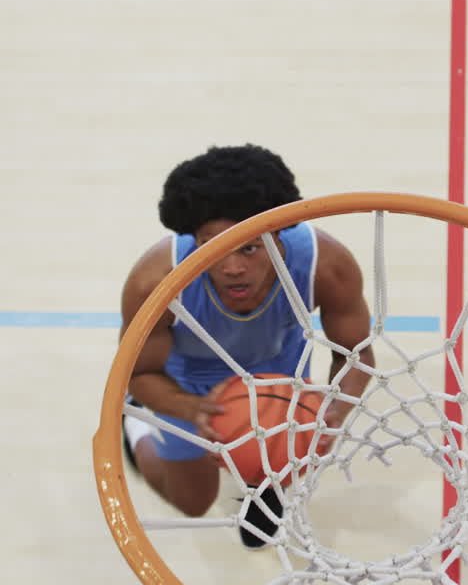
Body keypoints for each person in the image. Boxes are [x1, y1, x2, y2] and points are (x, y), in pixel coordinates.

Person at [120, 144, 374, 544]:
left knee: (274, 456)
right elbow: (138, 372)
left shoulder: (326, 264)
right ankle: (135, 427)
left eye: (250, 248)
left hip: (278, 372)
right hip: (188, 381)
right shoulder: (155, 280)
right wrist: (188, 407)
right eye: (212, 248)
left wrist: (331, 412)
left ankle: (263, 482)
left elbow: (356, 355)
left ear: (278, 231)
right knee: (192, 502)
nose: (232, 267)